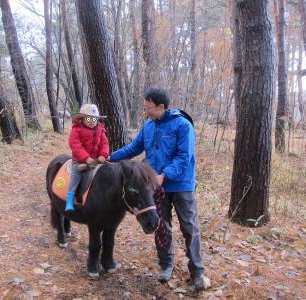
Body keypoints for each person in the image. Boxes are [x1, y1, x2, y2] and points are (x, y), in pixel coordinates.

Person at [109, 87, 210, 291]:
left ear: (161, 106)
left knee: (189, 227)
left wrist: (164, 175)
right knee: (160, 225)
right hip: (154, 185)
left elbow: (184, 157)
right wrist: (110, 158)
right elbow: (134, 148)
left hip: (181, 185)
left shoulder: (182, 126)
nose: (146, 111)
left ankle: (197, 272)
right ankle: (166, 265)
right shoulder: (148, 126)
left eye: (149, 107)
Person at [65, 104, 109, 212]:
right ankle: (70, 199)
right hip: (80, 161)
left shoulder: (100, 130)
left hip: (97, 161)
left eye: (94, 119)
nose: (92, 121)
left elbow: (105, 144)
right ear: (82, 119)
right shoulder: (76, 130)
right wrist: (86, 158)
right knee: (76, 176)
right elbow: (75, 145)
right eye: (89, 118)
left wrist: (103, 155)